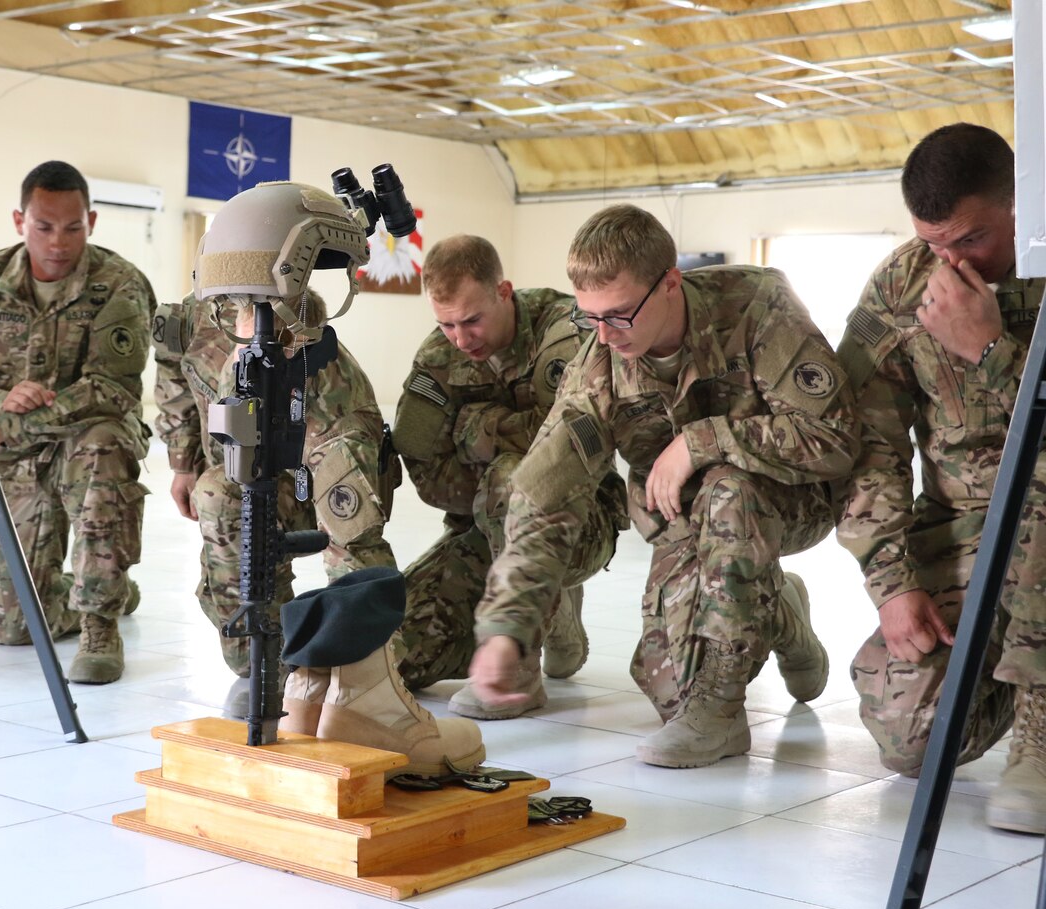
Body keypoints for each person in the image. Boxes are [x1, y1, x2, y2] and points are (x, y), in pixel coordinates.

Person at [468, 204, 859, 768]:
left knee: (729, 488)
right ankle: (780, 610)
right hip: (683, 521)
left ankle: (720, 712)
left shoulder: (757, 307)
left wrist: (705, 442)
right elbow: (544, 491)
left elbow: (835, 436)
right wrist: (506, 627)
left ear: (670, 282)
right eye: (590, 317)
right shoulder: (599, 361)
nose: (604, 335)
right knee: (668, 687)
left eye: (620, 314)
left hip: (787, 502)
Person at [155, 179, 480, 768]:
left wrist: (366, 657)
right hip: (250, 473)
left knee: (349, 535)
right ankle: (272, 669)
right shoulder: (191, 322)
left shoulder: (322, 373)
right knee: (217, 495)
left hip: (317, 478)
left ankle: (367, 695)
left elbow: (354, 543)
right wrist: (183, 460)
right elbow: (175, 380)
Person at [834, 123, 1046, 834]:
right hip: (966, 532)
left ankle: (1040, 725)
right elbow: (869, 443)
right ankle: (1012, 683)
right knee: (911, 732)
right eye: (934, 245)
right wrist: (893, 582)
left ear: (1022, 203)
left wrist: (989, 349)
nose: (951, 264)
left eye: (970, 240)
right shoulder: (902, 287)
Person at [0, 160, 155, 684]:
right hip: (19, 460)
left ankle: (100, 621)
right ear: (18, 220)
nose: (58, 242)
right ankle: (87, 596)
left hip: (86, 441)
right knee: (11, 625)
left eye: (73, 227)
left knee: (102, 444)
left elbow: (110, 389)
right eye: (44, 227)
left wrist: (5, 423)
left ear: (91, 222)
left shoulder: (117, 284)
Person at [391, 234, 628, 721]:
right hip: (483, 525)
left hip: (580, 521)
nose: (461, 339)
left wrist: (481, 429)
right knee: (400, 655)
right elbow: (429, 474)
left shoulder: (569, 331)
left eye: (472, 320)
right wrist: (520, 441)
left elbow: (586, 439)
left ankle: (520, 662)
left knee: (509, 479)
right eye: (447, 324)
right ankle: (549, 610)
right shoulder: (438, 360)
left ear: (504, 292)